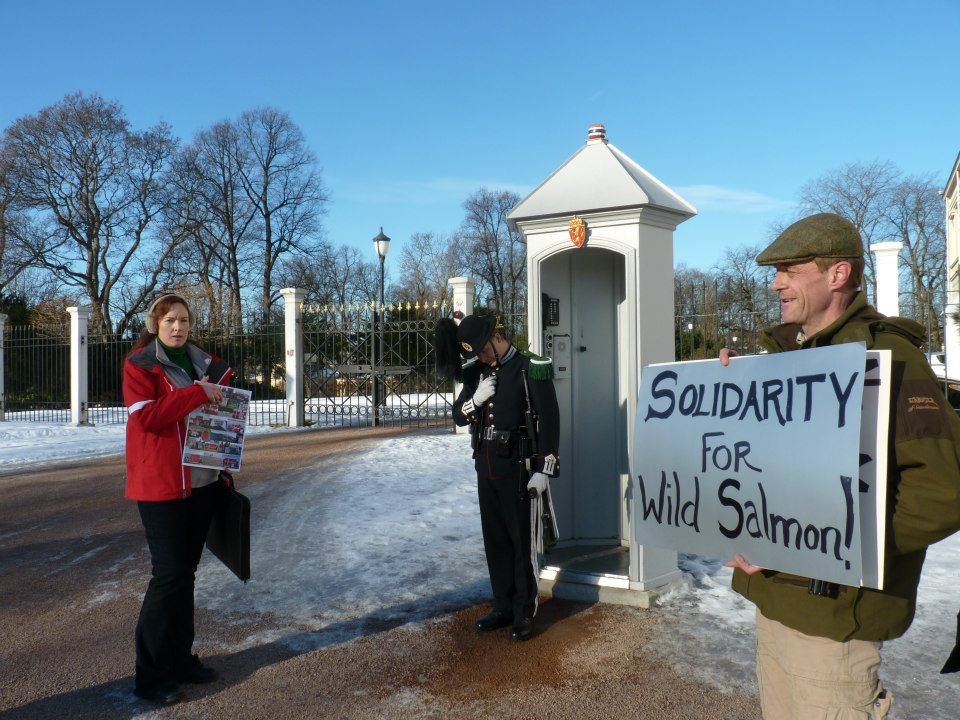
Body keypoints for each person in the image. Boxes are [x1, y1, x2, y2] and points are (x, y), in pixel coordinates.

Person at [719, 213, 960, 718]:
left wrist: (833, 548)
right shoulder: (782, 363)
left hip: (834, 623)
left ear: (838, 275)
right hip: (775, 603)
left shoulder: (892, 359)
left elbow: (942, 493)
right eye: (776, 270)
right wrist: (733, 386)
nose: (776, 281)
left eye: (790, 268)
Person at [123, 293, 233, 705]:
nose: (177, 326)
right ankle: (150, 676)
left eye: (183, 319)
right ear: (156, 324)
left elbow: (215, 420)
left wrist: (224, 458)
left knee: (185, 574)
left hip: (201, 484)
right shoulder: (140, 365)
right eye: (169, 319)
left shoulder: (204, 363)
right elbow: (149, 417)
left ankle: (181, 660)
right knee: (167, 576)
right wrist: (197, 393)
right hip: (161, 485)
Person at [436, 314, 560, 641]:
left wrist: (543, 471)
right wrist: (475, 399)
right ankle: (503, 604)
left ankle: (523, 609)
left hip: (517, 467)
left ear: (496, 337)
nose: (482, 357)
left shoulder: (528, 367)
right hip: (486, 465)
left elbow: (549, 420)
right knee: (495, 541)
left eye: (483, 350)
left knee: (520, 542)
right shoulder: (478, 373)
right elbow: (458, 416)